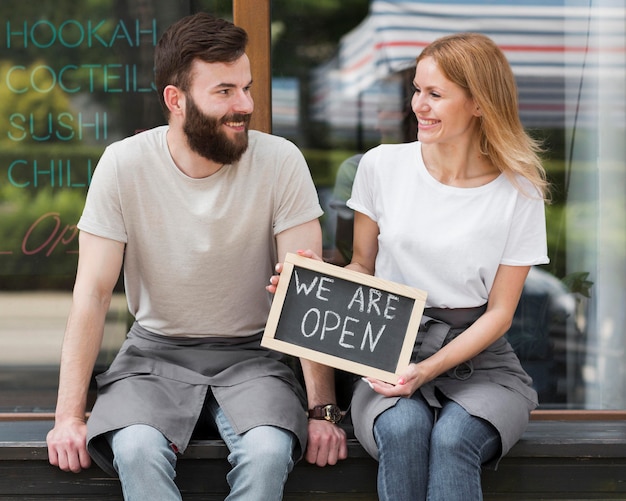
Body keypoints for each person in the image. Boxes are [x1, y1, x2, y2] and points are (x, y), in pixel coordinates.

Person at [46, 12, 347, 501]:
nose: (244, 105)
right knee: (137, 450)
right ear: (176, 100)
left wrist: (322, 411)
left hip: (256, 357)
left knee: (270, 452)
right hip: (152, 355)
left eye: (246, 88)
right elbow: (93, 293)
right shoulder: (123, 165)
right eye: (224, 91)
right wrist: (67, 417)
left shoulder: (281, 161)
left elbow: (306, 290)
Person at [277, 32, 550, 500]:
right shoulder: (382, 167)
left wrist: (426, 372)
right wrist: (317, 278)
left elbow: (501, 314)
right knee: (404, 433)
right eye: (417, 91)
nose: (418, 106)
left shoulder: (519, 192)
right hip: (386, 348)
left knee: (454, 438)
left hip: (480, 361)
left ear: (479, 103)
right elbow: (363, 267)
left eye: (435, 94)